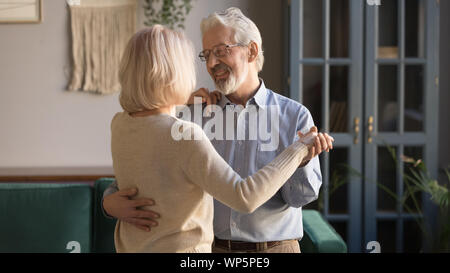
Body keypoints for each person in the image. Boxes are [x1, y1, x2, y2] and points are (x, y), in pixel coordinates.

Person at [104, 8, 334, 253]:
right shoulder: (190, 117)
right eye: (206, 55)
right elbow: (138, 177)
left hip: (275, 248)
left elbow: (301, 198)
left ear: (252, 51)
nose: (212, 63)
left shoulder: (294, 115)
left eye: (221, 51)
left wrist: (301, 162)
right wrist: (107, 202)